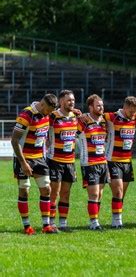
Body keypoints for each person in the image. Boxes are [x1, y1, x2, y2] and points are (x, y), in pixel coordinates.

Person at [11, 93, 58, 234]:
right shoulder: (27, 115)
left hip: (39, 158)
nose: (49, 114)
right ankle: (27, 227)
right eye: (48, 111)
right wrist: (23, 163)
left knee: (46, 189)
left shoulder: (47, 113)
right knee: (24, 190)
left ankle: (46, 226)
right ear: (42, 104)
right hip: (23, 158)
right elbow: (14, 140)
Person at [105, 96, 136, 228]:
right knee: (118, 191)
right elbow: (94, 116)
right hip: (113, 160)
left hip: (127, 161)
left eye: (135, 112)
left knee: (122, 194)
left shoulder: (135, 118)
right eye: (131, 111)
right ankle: (116, 221)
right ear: (125, 107)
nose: (133, 114)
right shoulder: (112, 117)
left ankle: (117, 216)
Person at [47, 90, 78, 232]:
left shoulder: (76, 116)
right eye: (68, 100)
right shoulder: (52, 116)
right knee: (54, 193)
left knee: (66, 193)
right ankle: (50, 223)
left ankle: (63, 223)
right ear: (61, 102)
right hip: (54, 160)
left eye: (73, 100)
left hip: (70, 161)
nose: (71, 102)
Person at [77, 94, 108, 230]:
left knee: (99, 194)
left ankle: (96, 220)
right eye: (98, 105)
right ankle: (93, 222)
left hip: (103, 162)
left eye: (102, 105)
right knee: (94, 193)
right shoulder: (83, 121)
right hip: (89, 162)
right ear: (90, 107)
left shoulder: (105, 121)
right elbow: (72, 132)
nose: (101, 107)